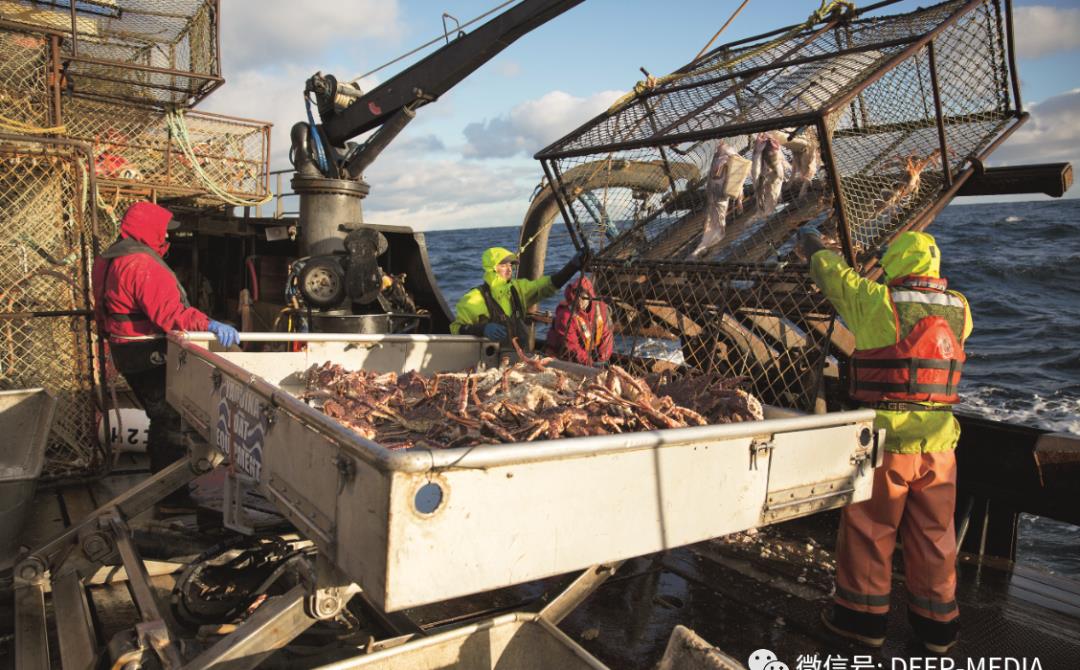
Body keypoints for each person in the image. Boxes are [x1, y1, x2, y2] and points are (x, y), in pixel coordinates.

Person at [798, 229, 972, 654]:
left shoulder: (879, 303)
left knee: (871, 528)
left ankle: (861, 620)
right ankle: (938, 628)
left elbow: (835, 278)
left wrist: (812, 247)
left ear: (896, 261)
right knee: (934, 534)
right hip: (939, 445)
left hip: (886, 443)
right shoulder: (961, 309)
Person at [92, 202, 239, 504]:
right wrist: (209, 324)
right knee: (168, 418)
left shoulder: (107, 259)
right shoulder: (140, 264)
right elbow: (170, 314)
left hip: (124, 350)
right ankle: (169, 497)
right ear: (148, 229)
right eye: (163, 232)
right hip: (146, 352)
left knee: (160, 415)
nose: (167, 238)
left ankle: (165, 486)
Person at [450, 247, 581, 348]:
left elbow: (547, 286)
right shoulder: (473, 299)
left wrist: (572, 267)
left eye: (510, 265)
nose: (509, 269)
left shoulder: (518, 289)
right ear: (491, 269)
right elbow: (456, 329)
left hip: (522, 359)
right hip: (489, 361)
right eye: (503, 265)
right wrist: (482, 329)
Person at [545, 276, 614, 366]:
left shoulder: (601, 308)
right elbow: (571, 347)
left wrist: (602, 360)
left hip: (590, 356)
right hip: (562, 358)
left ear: (589, 295)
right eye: (576, 296)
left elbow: (607, 336)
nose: (579, 300)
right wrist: (590, 364)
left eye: (583, 296)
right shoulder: (565, 315)